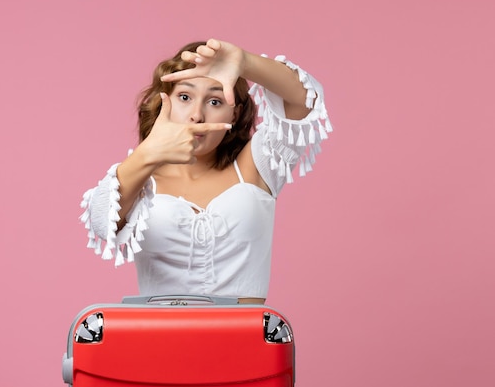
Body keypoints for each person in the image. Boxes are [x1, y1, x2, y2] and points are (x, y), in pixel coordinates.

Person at [80, 39, 331, 304]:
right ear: (164, 102)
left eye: (214, 100)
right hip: (161, 341)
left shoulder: (257, 165)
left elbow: (306, 100)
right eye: (184, 97)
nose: (196, 115)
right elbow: (100, 219)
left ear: (234, 115)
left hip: (246, 341)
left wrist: (246, 63)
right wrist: (149, 153)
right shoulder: (143, 179)